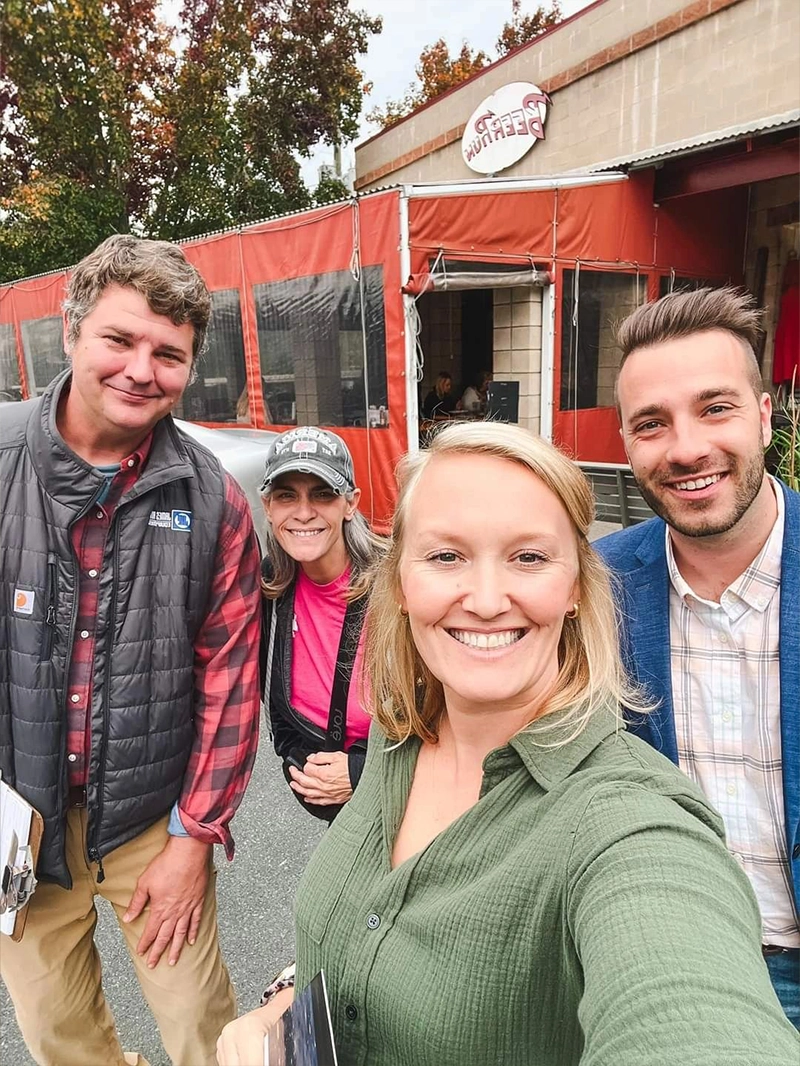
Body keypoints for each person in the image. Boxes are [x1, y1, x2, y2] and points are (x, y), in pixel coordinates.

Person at [217, 422, 798, 1066]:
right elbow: (363, 925)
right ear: (401, 582)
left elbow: (692, 1008)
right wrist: (286, 1002)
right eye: (446, 556)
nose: (488, 600)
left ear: (576, 587)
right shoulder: (396, 738)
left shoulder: (627, 826)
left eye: (528, 557)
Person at [0, 235, 262, 1066]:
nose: (142, 370)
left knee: (203, 1028)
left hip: (155, 819)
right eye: (121, 340)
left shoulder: (213, 499)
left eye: (169, 353)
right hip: (17, 822)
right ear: (70, 331)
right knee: (56, 1034)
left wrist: (194, 838)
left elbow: (230, 680)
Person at [595, 287, 799, 1027]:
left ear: (766, 414)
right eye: (652, 423)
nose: (685, 448)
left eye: (716, 408)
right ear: (626, 442)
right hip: (666, 962)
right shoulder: (594, 587)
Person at [260, 426, 386, 821]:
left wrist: (364, 773)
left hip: (401, 791)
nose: (303, 512)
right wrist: (292, 754)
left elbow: (454, 714)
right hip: (327, 798)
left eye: (322, 494)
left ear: (351, 503)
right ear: (268, 508)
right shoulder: (269, 584)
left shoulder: (397, 585)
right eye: (286, 496)